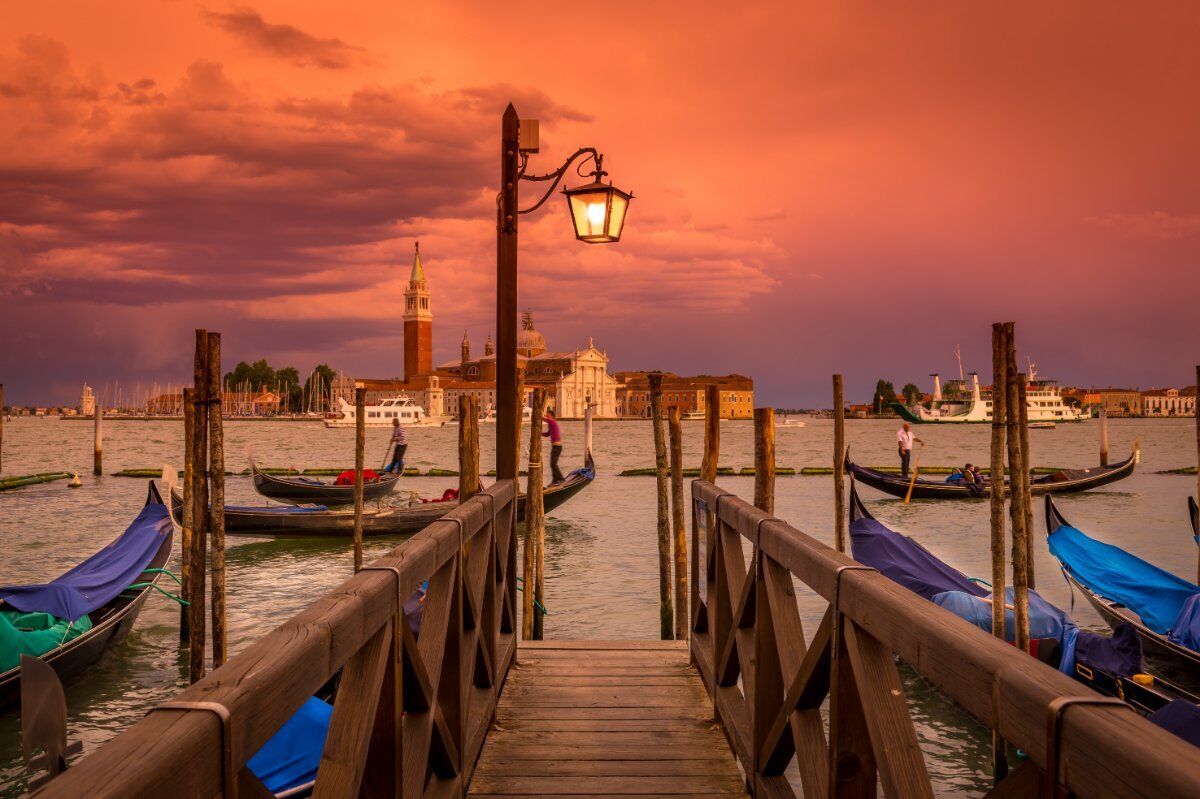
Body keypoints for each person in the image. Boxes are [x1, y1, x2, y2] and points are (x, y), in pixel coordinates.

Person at [542, 408, 564, 484]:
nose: (547, 416)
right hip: (554, 447)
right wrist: (540, 433)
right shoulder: (551, 424)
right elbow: (548, 434)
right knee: (552, 464)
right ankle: (555, 480)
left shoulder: (553, 422)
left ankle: (561, 478)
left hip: (557, 447)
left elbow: (547, 420)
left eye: (548, 415)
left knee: (553, 464)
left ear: (551, 416)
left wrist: (539, 416)